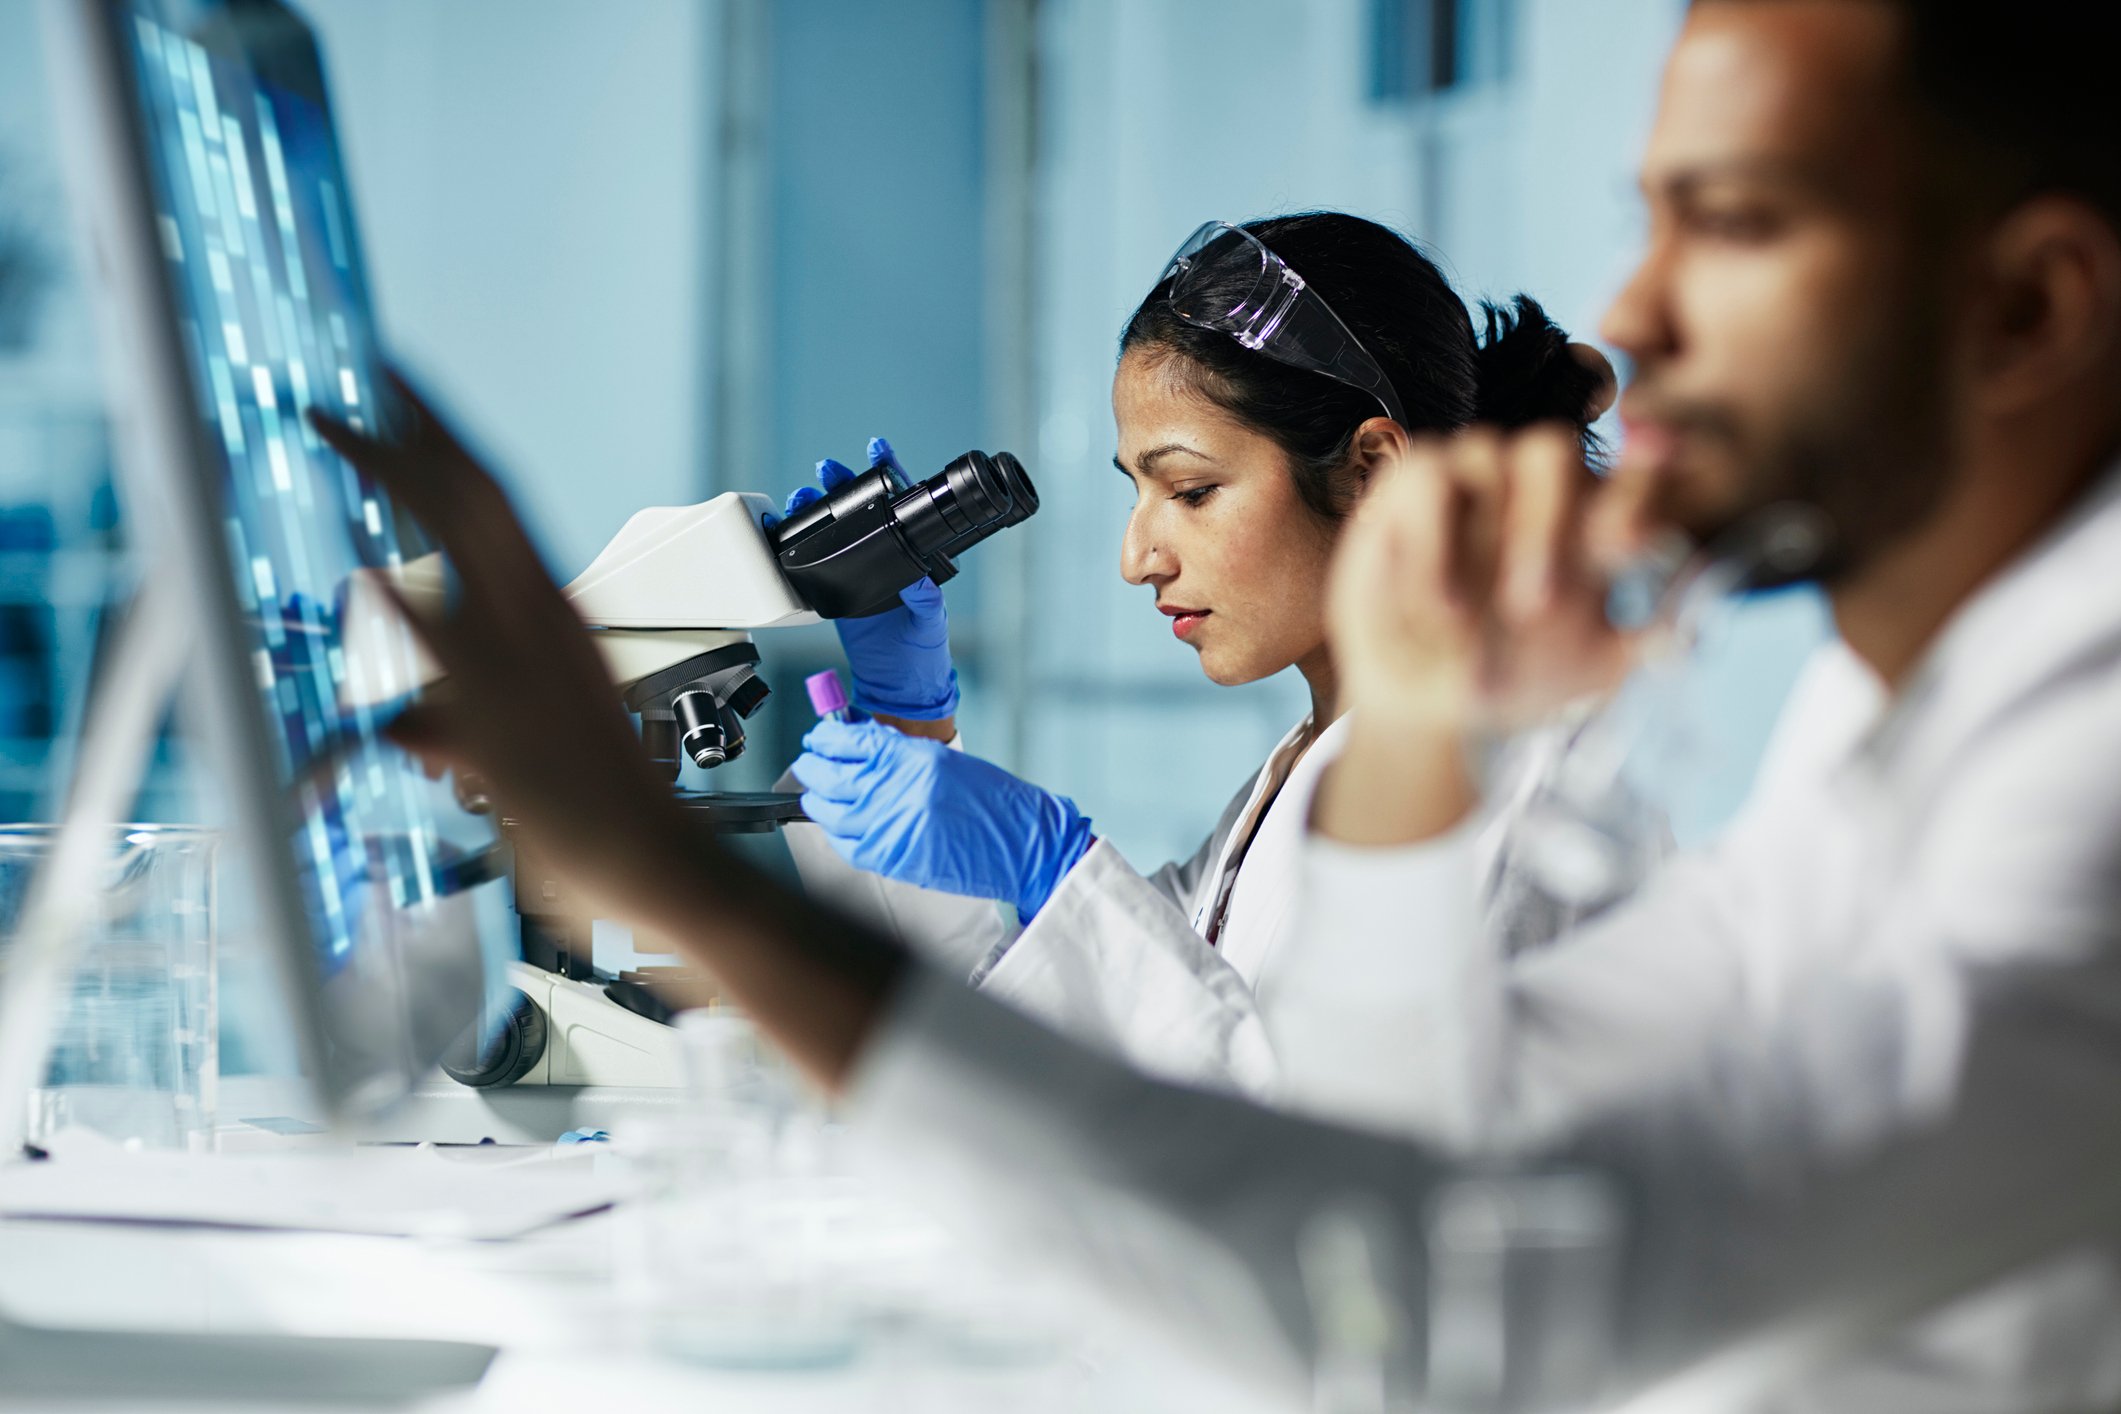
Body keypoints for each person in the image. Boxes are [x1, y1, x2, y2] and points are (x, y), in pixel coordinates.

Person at [311, 0, 2121, 1405]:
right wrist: (1383, 739)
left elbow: (1407, 1294)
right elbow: (1378, 1149)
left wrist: (681, 870)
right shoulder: (1895, 738)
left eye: (1729, 223)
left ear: (2029, 309)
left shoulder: (2079, 821)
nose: (1638, 304)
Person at [776, 213, 1659, 1111]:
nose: (1138, 557)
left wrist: (1057, 870)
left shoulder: (1493, 782)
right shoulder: (1297, 777)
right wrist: (908, 722)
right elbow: (1051, 1047)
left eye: (1191, 491)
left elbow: (1315, 1157)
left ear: (1371, 472)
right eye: (1139, 492)